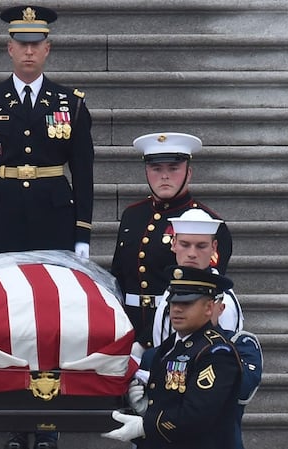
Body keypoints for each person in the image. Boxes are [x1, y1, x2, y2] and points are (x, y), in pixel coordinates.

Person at [0, 4, 94, 259]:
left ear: (47, 49)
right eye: (22, 45)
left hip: (54, 216)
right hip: (1, 216)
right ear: (10, 49)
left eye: (36, 45)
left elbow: (83, 172)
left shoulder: (70, 102)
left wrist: (82, 233)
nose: (29, 51)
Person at [111, 132, 233, 351]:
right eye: (156, 169)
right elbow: (118, 278)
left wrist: (146, 341)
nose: (164, 176)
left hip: (173, 330)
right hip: (126, 327)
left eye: (173, 169)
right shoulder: (132, 215)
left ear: (189, 172)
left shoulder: (208, 225)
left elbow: (203, 288)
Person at [102, 266, 241, 448]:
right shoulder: (172, 346)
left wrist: (146, 425)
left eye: (186, 303)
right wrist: (146, 410)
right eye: (173, 302)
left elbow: (197, 415)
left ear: (209, 308)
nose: (176, 309)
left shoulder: (216, 353)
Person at [151, 208, 243, 346]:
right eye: (185, 245)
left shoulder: (222, 300)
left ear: (214, 247)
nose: (192, 253)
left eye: (201, 246)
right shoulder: (171, 289)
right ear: (174, 244)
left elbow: (223, 354)